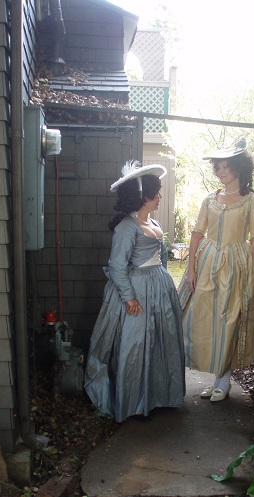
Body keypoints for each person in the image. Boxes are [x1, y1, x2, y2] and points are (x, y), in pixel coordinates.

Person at [179, 139, 254, 402]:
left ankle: (222, 381)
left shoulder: (252, 201)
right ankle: (216, 377)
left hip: (236, 266)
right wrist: (191, 269)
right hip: (207, 264)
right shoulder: (209, 200)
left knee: (228, 320)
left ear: (239, 169)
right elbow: (196, 234)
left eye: (226, 167)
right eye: (218, 166)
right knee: (205, 319)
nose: (220, 171)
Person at [85, 161, 186, 422]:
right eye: (157, 193)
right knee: (136, 344)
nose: (160, 197)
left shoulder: (151, 221)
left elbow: (161, 255)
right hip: (137, 290)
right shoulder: (127, 227)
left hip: (158, 288)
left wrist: (162, 280)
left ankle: (160, 396)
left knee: (161, 342)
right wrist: (129, 297)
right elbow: (117, 265)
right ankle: (134, 401)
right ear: (144, 197)